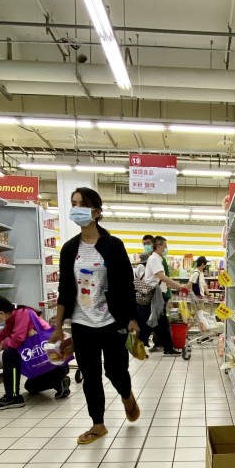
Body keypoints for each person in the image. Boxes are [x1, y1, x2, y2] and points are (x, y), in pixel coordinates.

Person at [52, 187, 142, 445]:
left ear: (96, 212)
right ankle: (98, 424)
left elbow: (127, 285)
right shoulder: (69, 249)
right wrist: (58, 326)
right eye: (73, 203)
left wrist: (132, 318)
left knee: (116, 371)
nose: (76, 208)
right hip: (81, 323)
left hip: (112, 321)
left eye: (82, 204)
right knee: (90, 375)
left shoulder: (113, 246)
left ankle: (126, 396)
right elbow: (65, 289)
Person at [0, 295, 70, 410]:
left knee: (9, 354)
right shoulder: (13, 319)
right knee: (30, 387)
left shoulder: (22, 313)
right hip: (49, 365)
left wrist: (4, 346)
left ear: (0, 313)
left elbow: (17, 339)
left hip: (51, 363)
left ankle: (12, 397)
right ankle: (60, 382)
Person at [140, 236, 188, 356]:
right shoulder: (155, 259)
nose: (166, 248)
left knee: (158, 322)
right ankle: (141, 345)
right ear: (158, 246)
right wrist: (179, 286)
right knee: (154, 322)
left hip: (156, 294)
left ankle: (166, 348)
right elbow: (162, 277)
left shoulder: (157, 259)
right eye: (165, 246)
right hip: (154, 295)